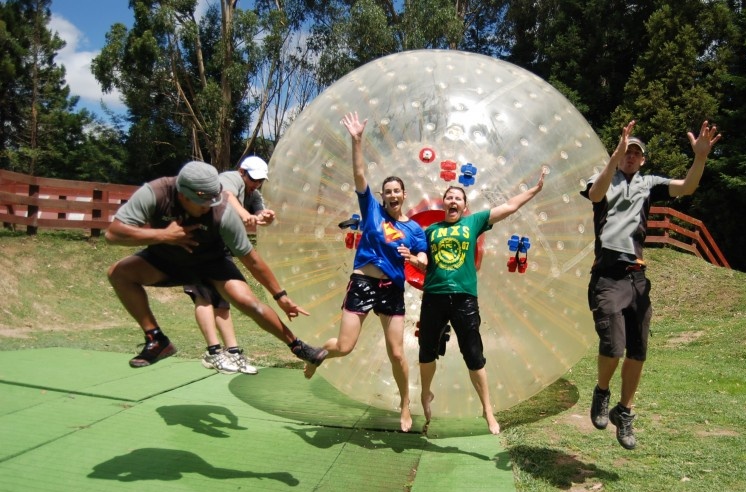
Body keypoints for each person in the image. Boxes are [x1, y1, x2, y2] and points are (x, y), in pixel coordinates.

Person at [105, 160, 327, 370]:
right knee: (119, 273)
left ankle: (299, 347)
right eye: (203, 204)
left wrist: (281, 296)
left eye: (214, 200)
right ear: (183, 195)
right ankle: (156, 339)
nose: (208, 208)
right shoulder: (155, 193)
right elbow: (113, 235)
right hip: (166, 260)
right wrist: (163, 235)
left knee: (249, 303)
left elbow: (251, 259)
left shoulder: (223, 211)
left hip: (212, 263)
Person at [580, 119, 721, 450]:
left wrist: (700, 157)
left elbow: (686, 187)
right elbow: (596, 194)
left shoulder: (649, 183)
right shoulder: (602, 178)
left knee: (638, 349)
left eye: (635, 154)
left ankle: (625, 411)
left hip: (637, 277)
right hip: (607, 275)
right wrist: (612, 157)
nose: (630, 157)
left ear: (642, 159)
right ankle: (602, 392)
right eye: (626, 152)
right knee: (613, 345)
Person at [303, 112, 428, 433]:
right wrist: (357, 140)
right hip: (362, 282)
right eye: (387, 191)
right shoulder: (371, 210)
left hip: (392, 289)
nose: (392, 195)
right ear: (383, 196)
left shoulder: (414, 229)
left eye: (396, 191)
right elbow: (359, 173)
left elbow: (425, 262)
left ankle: (404, 404)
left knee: (397, 352)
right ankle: (318, 355)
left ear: (404, 195)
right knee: (345, 347)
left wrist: (412, 258)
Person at [418, 169, 546, 435]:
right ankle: (425, 393)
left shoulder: (473, 222)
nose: (453, 201)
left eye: (458, 198)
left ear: (465, 206)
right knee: (426, 351)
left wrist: (534, 190)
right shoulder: (430, 230)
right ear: (443, 203)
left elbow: (509, 206)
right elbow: (422, 259)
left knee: (473, 354)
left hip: (464, 297)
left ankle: (487, 408)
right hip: (434, 295)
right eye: (449, 197)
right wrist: (417, 260)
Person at [183, 156, 276, 375]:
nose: (256, 183)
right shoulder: (231, 178)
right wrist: (244, 214)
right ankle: (213, 353)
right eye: (254, 179)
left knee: (223, 302)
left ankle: (233, 353)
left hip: (218, 249)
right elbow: (226, 195)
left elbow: (259, 213)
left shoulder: (253, 193)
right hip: (195, 244)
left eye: (260, 180)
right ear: (242, 171)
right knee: (203, 296)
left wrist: (266, 216)